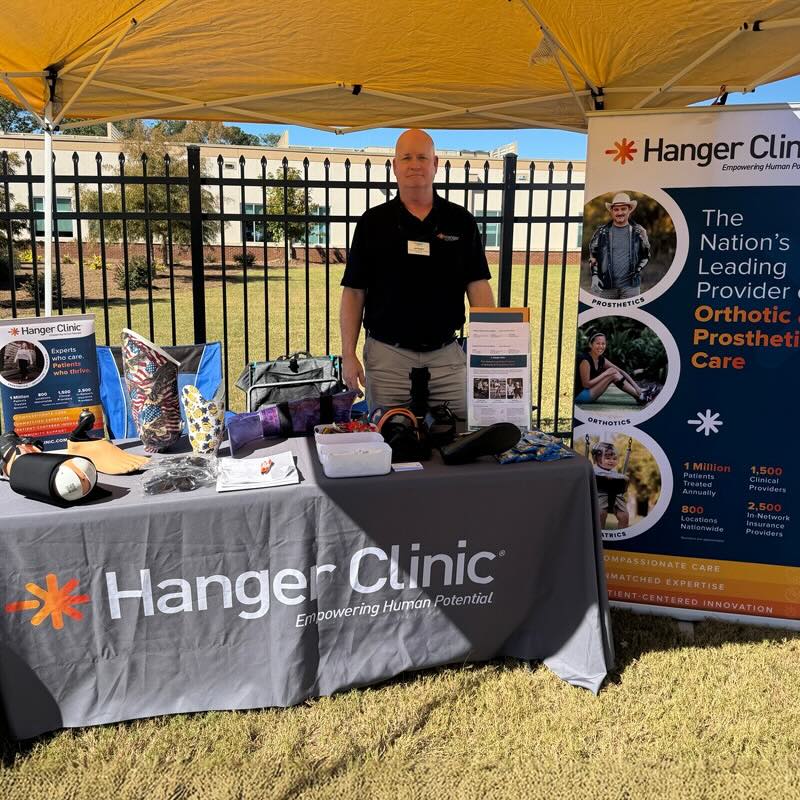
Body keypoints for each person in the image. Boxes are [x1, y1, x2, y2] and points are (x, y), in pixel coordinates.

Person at [339, 128, 495, 419]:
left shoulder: (460, 221)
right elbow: (354, 291)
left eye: (422, 157)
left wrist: (491, 348)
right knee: (391, 438)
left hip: (447, 357)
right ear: (395, 166)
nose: (415, 165)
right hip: (387, 359)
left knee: (461, 437)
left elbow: (478, 285)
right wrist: (348, 354)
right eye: (406, 157)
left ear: (435, 164)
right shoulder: (373, 223)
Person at [588, 192, 650, 299]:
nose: (619, 212)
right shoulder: (601, 232)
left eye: (623, 209)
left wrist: (637, 270)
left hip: (631, 288)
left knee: (631, 311)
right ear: (612, 211)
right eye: (616, 209)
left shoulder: (639, 232)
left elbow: (645, 255)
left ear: (629, 210)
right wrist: (594, 276)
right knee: (605, 311)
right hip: (606, 287)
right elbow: (593, 256)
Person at [574, 331, 653, 406]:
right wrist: (605, 373)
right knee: (612, 375)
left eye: (603, 344)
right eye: (598, 343)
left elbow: (621, 371)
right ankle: (641, 396)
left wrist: (637, 387)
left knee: (614, 372)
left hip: (590, 391)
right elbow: (586, 384)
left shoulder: (601, 359)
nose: (601, 346)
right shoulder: (585, 360)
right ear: (590, 345)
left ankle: (640, 396)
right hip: (581, 395)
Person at [590, 442, 630, 529]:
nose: (611, 461)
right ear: (596, 458)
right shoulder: (594, 470)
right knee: (601, 514)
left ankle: (622, 532)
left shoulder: (614, 472)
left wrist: (625, 479)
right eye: (607, 458)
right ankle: (599, 532)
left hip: (616, 496)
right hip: (600, 495)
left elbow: (622, 481)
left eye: (614, 458)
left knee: (624, 516)